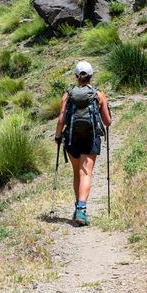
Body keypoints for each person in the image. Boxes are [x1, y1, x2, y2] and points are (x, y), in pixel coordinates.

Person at [54, 61, 111, 226]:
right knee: (85, 173)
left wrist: (58, 136)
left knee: (76, 172)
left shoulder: (68, 94)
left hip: (72, 138)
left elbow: (61, 119)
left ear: (76, 76)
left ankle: (77, 207)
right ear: (91, 75)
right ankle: (81, 209)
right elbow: (107, 122)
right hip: (90, 138)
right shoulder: (98, 94)